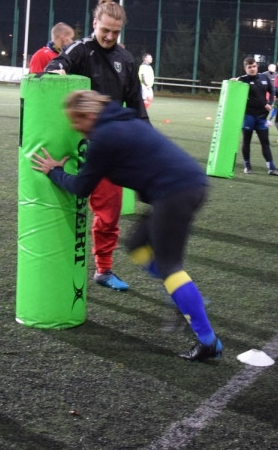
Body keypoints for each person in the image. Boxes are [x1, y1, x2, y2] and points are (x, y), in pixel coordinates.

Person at [29, 90, 222, 361]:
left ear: (89, 115)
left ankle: (208, 342)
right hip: (185, 186)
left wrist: (54, 172)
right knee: (137, 246)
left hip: (175, 193)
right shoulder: (122, 121)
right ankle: (183, 298)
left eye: (77, 121)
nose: (75, 128)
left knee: (169, 267)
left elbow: (82, 188)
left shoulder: (104, 137)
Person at [45, 0, 146, 292]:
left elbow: (137, 105)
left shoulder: (126, 60)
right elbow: (57, 63)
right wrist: (57, 71)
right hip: (72, 145)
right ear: (94, 25)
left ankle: (103, 269)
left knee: (109, 214)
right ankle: (57, 269)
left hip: (109, 150)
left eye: (116, 32)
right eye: (105, 30)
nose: (110, 37)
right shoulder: (80, 50)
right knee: (64, 209)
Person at [235, 56, 278, 176]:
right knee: (246, 141)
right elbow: (233, 84)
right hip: (248, 116)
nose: (252, 69)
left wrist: (269, 103)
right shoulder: (243, 80)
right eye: (249, 67)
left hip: (262, 117)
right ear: (245, 68)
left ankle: (271, 168)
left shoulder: (264, 77)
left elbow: (272, 91)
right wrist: (233, 81)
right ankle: (247, 165)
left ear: (257, 66)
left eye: (254, 66)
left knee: (265, 142)